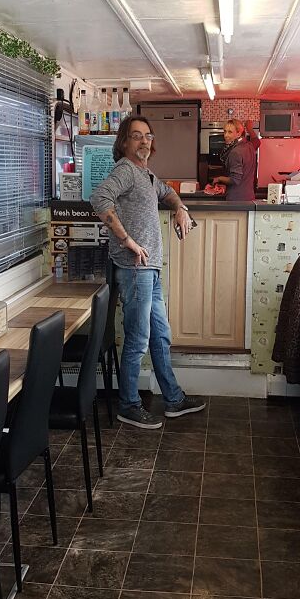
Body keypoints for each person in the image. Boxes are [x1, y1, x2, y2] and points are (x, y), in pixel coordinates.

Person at [90, 115, 206, 429]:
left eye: (148, 136)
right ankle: (128, 405)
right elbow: (99, 198)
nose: (144, 141)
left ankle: (173, 399)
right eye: (136, 136)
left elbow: (167, 191)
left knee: (159, 337)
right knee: (138, 339)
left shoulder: (146, 174)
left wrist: (180, 207)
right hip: (134, 269)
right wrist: (127, 240)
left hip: (150, 268)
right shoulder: (125, 170)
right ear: (124, 142)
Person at [211, 118, 257, 201]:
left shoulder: (235, 152)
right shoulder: (250, 146)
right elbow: (257, 141)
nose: (226, 135)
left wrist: (219, 178)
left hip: (236, 199)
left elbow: (235, 180)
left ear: (239, 133)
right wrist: (250, 129)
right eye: (225, 131)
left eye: (230, 132)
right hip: (249, 197)